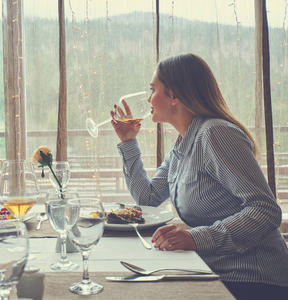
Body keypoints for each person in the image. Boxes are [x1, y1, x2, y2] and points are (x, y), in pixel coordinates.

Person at [112, 53, 288, 299]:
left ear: (174, 95)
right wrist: (128, 142)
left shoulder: (215, 134)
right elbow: (147, 198)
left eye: (153, 89)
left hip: (253, 279)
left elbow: (265, 210)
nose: (149, 97)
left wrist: (196, 238)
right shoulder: (184, 143)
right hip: (213, 269)